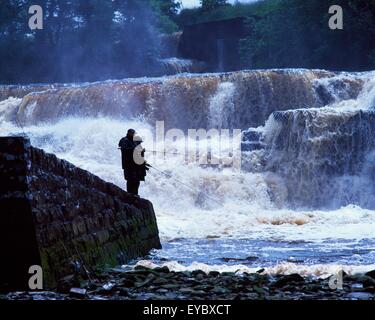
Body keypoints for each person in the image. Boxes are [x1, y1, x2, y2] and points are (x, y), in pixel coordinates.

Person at [118, 129, 149, 196]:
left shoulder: (136, 142)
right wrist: (137, 150)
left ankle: (135, 195)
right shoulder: (124, 140)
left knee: (137, 181)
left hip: (137, 166)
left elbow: (139, 154)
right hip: (129, 165)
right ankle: (130, 195)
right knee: (131, 180)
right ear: (129, 133)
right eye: (133, 134)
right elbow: (126, 151)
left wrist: (143, 161)